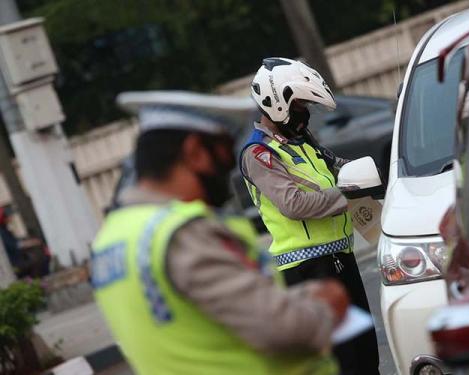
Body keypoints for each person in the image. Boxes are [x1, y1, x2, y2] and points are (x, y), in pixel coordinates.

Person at [91, 91, 350, 375]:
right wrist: (327, 304)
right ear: (196, 152)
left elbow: (199, 318)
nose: (229, 169)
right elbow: (281, 329)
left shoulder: (112, 237)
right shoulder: (184, 233)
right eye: (225, 153)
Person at [240, 58, 380, 375]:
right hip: (307, 271)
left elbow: (337, 166)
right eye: (301, 103)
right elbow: (293, 204)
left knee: (366, 356)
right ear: (278, 103)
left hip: (340, 259)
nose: (306, 111)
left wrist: (372, 176)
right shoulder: (259, 154)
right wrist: (347, 194)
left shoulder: (304, 142)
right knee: (343, 364)